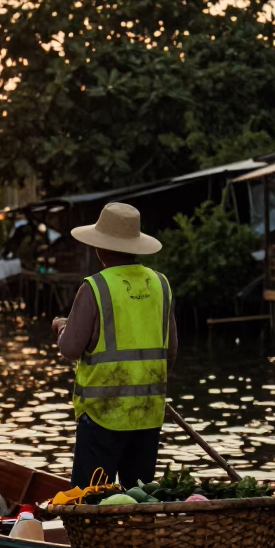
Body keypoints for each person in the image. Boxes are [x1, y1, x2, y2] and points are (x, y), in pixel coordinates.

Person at [51, 202, 178, 491]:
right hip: (147, 415)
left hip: (102, 416)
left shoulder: (96, 286)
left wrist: (61, 326)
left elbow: (70, 348)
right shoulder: (161, 284)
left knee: (90, 500)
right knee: (139, 498)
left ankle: (91, 539)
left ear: (100, 248)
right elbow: (170, 354)